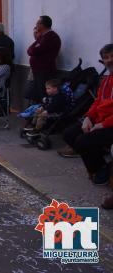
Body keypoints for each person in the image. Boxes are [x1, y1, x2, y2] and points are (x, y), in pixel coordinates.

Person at [59, 44, 113, 190]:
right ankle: (102, 165)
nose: (109, 60)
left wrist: (103, 124)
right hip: (100, 120)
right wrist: (89, 117)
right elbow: (97, 102)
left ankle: (101, 169)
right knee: (69, 134)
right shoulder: (107, 79)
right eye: (106, 58)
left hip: (110, 123)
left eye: (112, 57)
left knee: (83, 141)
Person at [26, 16, 61, 103]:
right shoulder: (42, 37)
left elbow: (34, 50)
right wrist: (33, 49)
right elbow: (30, 49)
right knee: (38, 93)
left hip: (44, 71)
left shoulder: (50, 37)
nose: (36, 25)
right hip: (39, 71)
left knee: (43, 93)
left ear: (43, 25)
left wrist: (33, 49)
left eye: (38, 23)